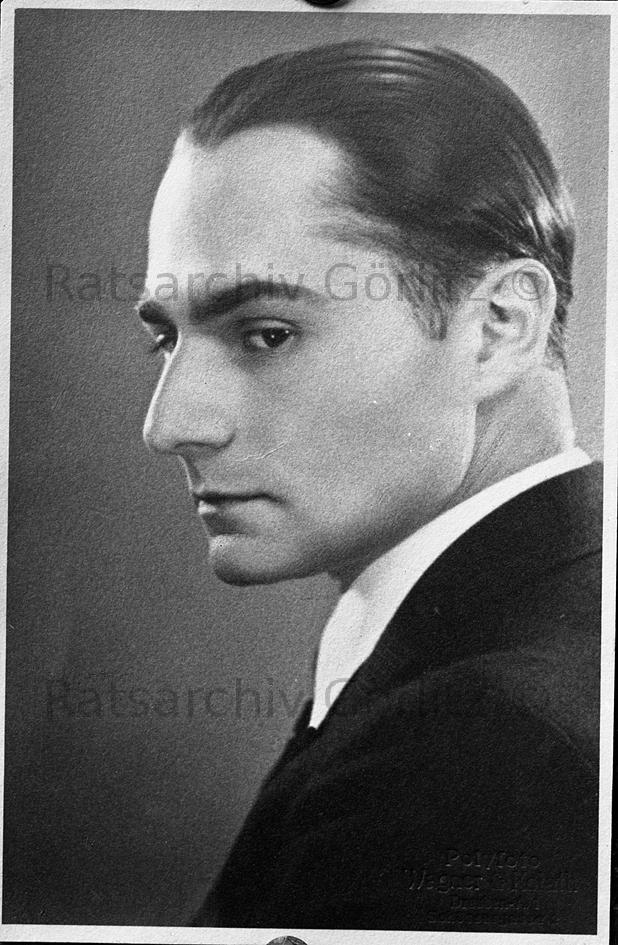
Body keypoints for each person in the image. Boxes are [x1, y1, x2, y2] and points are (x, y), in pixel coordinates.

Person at [137, 42, 602, 933]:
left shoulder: (485, 740)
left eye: (267, 333)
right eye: (166, 337)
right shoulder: (527, 642)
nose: (169, 424)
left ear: (499, 326)